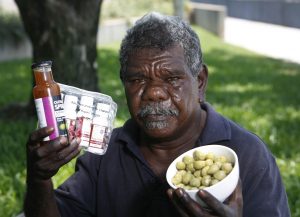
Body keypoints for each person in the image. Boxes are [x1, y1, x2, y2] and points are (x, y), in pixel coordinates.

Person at [24, 12, 290, 217]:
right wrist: (39, 179)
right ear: (123, 84)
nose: (154, 93)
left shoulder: (247, 155)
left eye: (172, 78)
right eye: (137, 80)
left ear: (199, 82)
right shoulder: (104, 156)